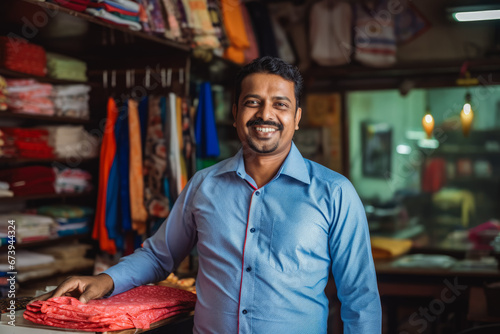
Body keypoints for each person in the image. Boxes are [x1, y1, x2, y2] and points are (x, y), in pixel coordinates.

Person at [35, 56, 381, 333]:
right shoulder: (205, 184)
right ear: (235, 114)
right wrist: (104, 280)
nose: (265, 114)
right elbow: (159, 257)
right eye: (252, 102)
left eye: (280, 104)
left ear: (297, 118)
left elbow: (359, 298)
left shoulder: (335, 193)